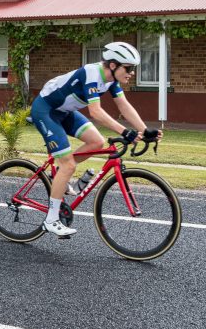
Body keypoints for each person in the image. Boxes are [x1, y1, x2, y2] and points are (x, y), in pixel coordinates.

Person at [31, 42, 162, 237]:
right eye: (129, 68)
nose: (132, 73)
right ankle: (51, 220)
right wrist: (125, 131)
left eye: (133, 69)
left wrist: (145, 130)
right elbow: (96, 111)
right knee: (69, 166)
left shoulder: (111, 80)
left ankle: (58, 174)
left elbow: (124, 106)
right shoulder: (92, 73)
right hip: (46, 111)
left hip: (65, 112)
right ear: (112, 65)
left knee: (97, 142)